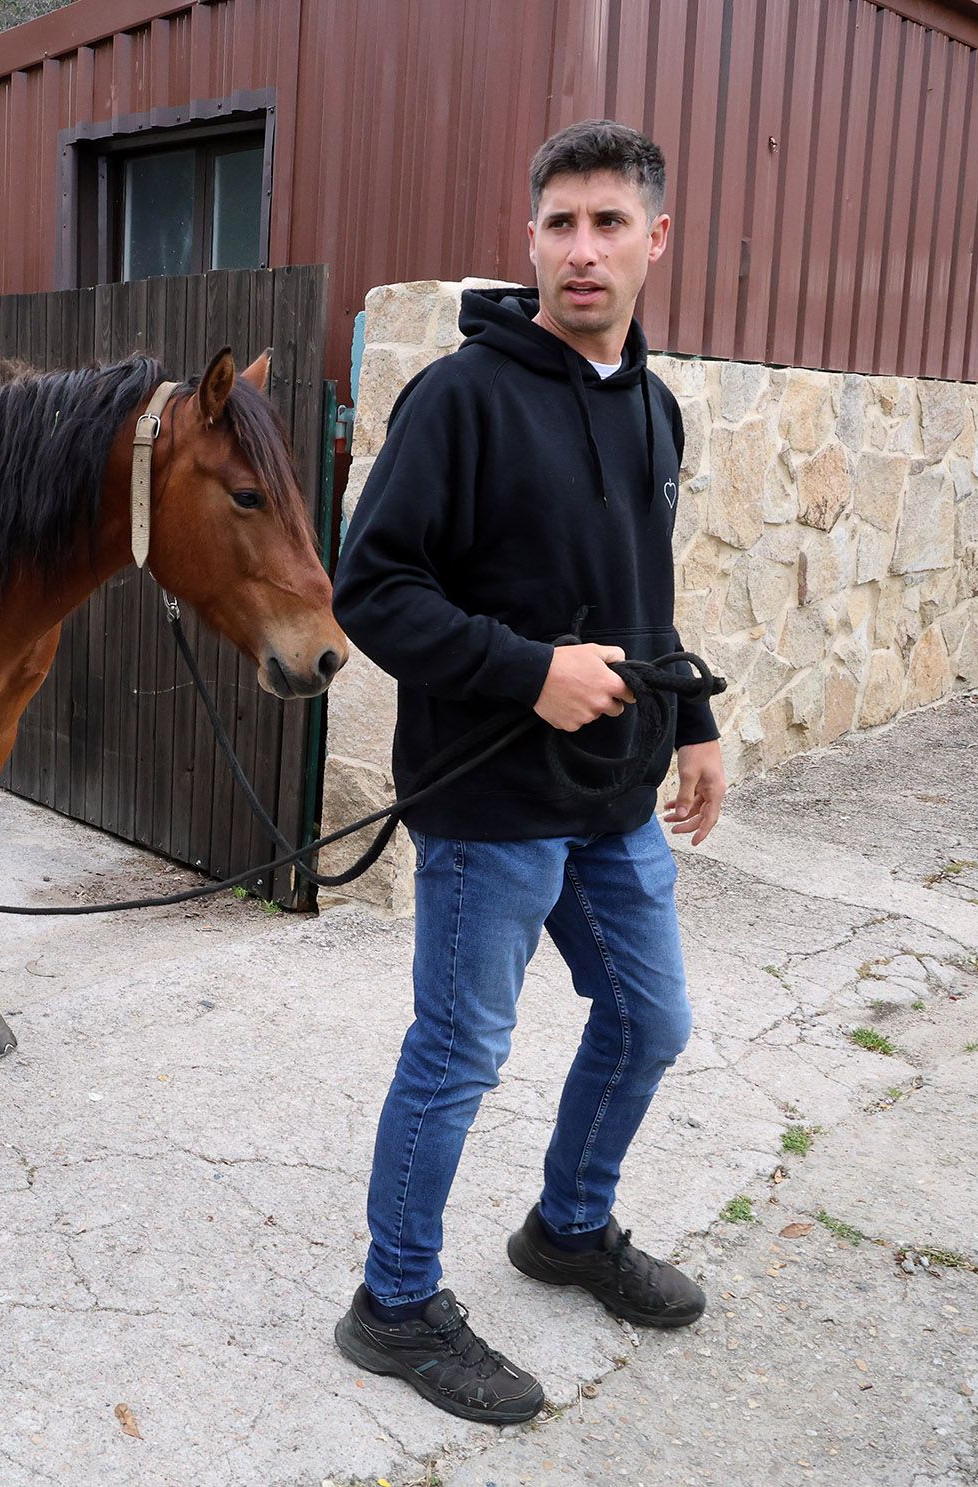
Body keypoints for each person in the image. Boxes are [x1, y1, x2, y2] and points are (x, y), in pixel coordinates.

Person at [330, 119, 727, 1425]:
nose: (583, 249)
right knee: (458, 1051)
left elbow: (643, 596)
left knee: (651, 1017)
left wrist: (693, 717)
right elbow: (371, 591)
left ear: (655, 238)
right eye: (560, 222)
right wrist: (528, 670)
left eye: (610, 222)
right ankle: (393, 1305)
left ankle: (568, 1225)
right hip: (490, 800)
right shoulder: (461, 399)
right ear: (532, 241)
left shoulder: (654, 408)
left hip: (613, 796)